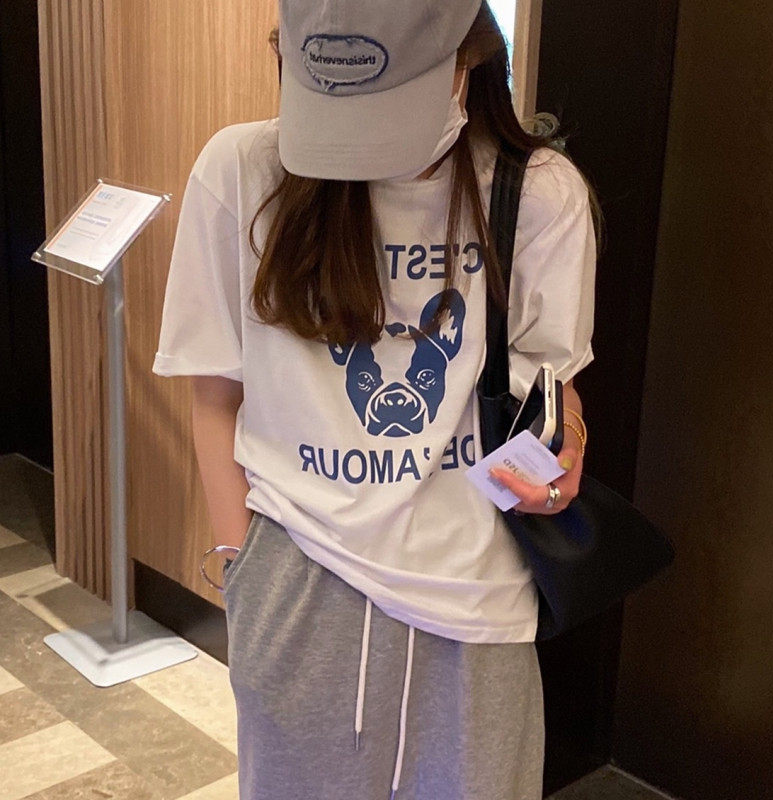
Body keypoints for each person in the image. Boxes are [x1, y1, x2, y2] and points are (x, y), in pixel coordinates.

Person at [152, 1, 600, 798]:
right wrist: (241, 570)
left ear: (467, 59)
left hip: (477, 601)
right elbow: (214, 395)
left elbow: (552, 389)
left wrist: (563, 444)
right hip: (298, 589)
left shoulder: (538, 194)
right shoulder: (242, 172)